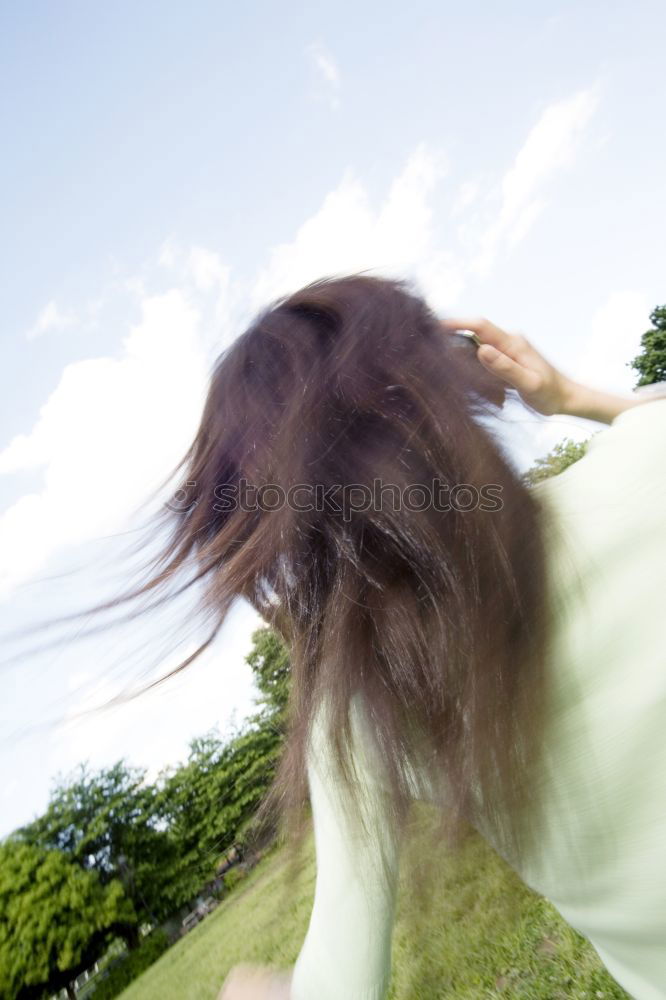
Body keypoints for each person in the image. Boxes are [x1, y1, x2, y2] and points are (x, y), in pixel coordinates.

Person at [208, 281, 665, 1000]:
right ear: (454, 383)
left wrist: (253, 991)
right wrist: (570, 395)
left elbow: (338, 990)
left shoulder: (357, 708)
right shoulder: (648, 464)